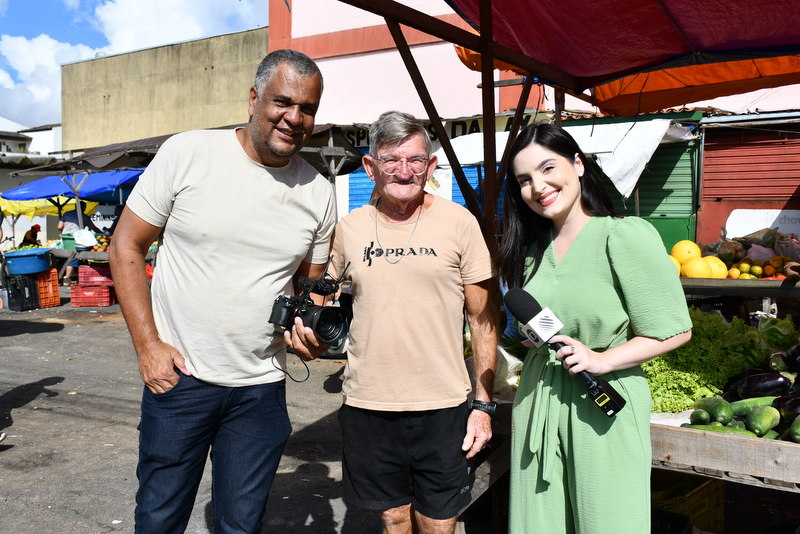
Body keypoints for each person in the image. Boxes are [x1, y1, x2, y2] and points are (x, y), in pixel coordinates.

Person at [109, 49, 335, 534]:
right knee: (159, 520)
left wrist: (312, 334)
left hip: (261, 388)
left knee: (242, 526)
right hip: (181, 379)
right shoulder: (188, 153)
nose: (294, 118)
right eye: (282, 102)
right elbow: (126, 244)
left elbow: (310, 289)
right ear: (254, 99)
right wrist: (148, 347)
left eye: (308, 108)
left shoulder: (318, 191)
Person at [495, 122, 692, 533]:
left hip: (602, 401)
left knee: (608, 521)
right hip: (538, 398)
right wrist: (533, 338)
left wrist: (603, 360)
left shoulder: (622, 236)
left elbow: (674, 329)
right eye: (525, 180)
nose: (538, 186)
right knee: (539, 524)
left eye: (548, 168)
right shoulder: (531, 252)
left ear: (579, 164)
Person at [329, 111, 498, 534]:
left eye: (415, 159)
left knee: (438, 522)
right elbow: (323, 300)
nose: (404, 171)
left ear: (431, 165)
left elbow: (482, 318)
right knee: (393, 518)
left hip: (443, 404)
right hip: (369, 404)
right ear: (371, 167)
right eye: (391, 160)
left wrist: (482, 406)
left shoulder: (460, 223)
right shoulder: (349, 229)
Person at [59, 201, 103, 285]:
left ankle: (68, 276)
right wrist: (103, 234)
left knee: (66, 257)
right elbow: (94, 228)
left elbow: (59, 227)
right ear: (83, 208)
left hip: (66, 239)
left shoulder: (66, 214)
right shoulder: (84, 217)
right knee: (74, 256)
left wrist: (66, 232)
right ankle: (67, 278)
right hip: (76, 239)